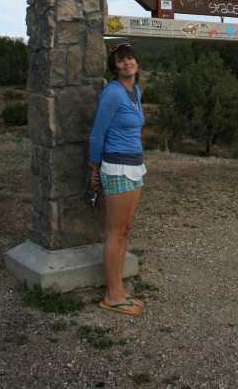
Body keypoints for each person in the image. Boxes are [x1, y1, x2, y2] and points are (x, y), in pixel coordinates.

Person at [89, 42, 146, 316]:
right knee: (116, 231)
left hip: (135, 166)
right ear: (115, 67)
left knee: (125, 230)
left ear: (137, 63)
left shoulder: (136, 92)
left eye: (130, 58)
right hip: (117, 167)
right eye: (121, 61)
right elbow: (97, 133)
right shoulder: (112, 93)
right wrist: (93, 169)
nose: (127, 63)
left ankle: (119, 290)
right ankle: (112, 296)